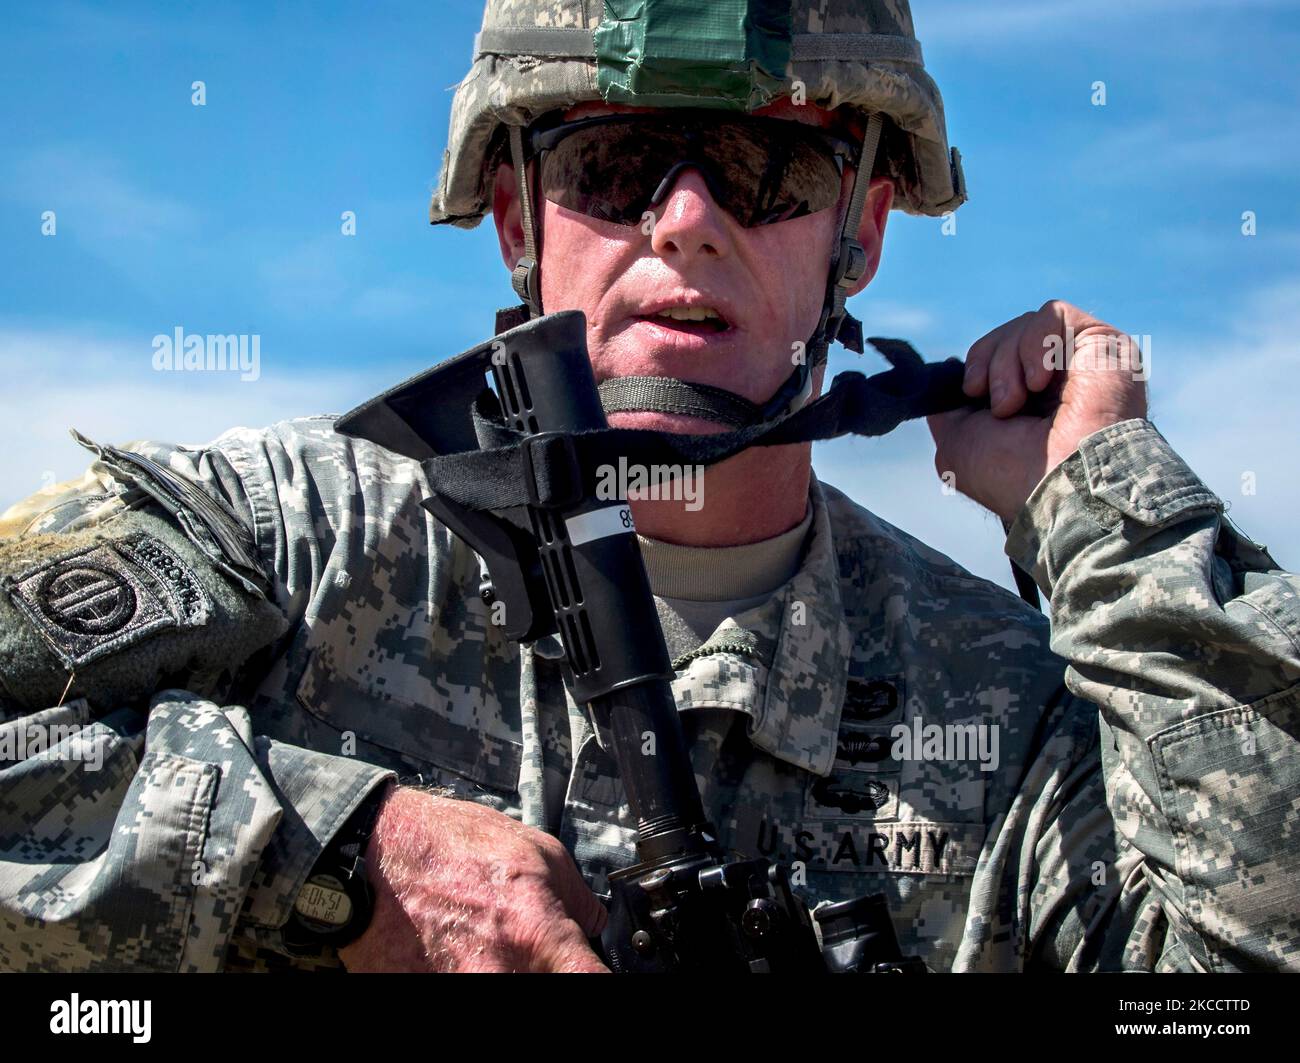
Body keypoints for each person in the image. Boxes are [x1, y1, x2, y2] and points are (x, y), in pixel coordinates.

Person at [1, 0, 1297, 974]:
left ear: (861, 229)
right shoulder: (290, 542)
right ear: (519, 219)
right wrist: (339, 858)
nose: (684, 221)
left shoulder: (1003, 715)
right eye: (616, 168)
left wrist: (1112, 514)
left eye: (765, 167)